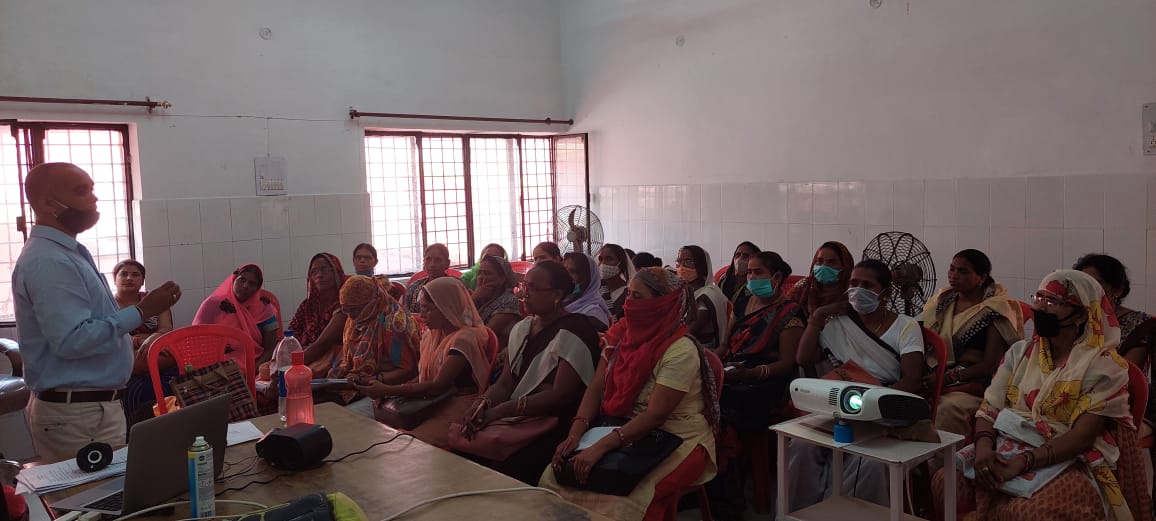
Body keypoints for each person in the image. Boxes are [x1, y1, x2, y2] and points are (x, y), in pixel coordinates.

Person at [934, 270, 1143, 521]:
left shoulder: (1104, 367)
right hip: (1009, 442)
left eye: (1053, 301)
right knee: (945, 480)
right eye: (1039, 298)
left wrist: (1023, 462)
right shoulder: (1020, 353)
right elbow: (989, 408)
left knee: (1028, 511)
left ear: (1081, 315)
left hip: (1068, 454)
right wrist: (983, 449)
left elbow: (1082, 437)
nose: (1040, 308)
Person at [13, 162, 181, 462]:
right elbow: (72, 340)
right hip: (76, 415)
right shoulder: (49, 260)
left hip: (91, 410)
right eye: (81, 191)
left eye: (92, 189)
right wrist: (142, 311)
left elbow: (93, 323)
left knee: (112, 490)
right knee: (92, 493)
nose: (93, 198)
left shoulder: (70, 252)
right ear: (48, 204)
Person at [540, 268, 720, 521]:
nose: (628, 304)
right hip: (622, 426)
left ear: (662, 303)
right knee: (555, 476)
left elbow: (656, 415)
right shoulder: (621, 335)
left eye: (638, 297)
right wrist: (575, 434)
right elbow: (597, 387)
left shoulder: (680, 349)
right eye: (629, 295)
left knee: (626, 497)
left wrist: (600, 447)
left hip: (677, 436)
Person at [789, 259, 925, 508]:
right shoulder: (838, 323)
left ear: (886, 293)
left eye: (867, 285)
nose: (858, 290)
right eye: (853, 283)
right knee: (801, 446)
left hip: (884, 407)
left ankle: (844, 512)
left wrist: (875, 407)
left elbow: (912, 379)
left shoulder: (906, 326)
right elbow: (803, 358)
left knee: (868, 462)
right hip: (840, 405)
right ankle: (800, 514)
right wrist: (818, 317)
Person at [461, 262, 600, 484]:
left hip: (554, 423)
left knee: (502, 472)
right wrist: (482, 403)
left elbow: (560, 395)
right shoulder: (523, 328)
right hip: (518, 415)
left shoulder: (575, 330)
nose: (525, 293)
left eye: (533, 288)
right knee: (464, 452)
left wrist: (501, 411)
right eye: (525, 285)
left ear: (557, 295)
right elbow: (505, 383)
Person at [353, 277, 496, 447]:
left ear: (446, 307)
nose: (421, 315)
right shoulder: (432, 336)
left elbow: (437, 386)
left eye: (427, 309)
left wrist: (388, 389)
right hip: (432, 401)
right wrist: (391, 393)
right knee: (381, 431)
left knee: (405, 443)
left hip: (456, 404)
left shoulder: (465, 339)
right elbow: (422, 378)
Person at [712, 251, 803, 515]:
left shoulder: (789, 313)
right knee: (703, 389)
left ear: (776, 277)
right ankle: (713, 482)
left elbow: (787, 363)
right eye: (749, 272)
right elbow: (725, 346)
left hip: (768, 381)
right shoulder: (741, 304)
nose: (751, 277)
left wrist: (752, 374)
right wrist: (708, 362)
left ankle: (732, 489)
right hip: (734, 371)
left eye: (758, 272)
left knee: (732, 401)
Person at [921, 249, 1024, 437]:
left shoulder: (994, 310)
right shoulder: (943, 300)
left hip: (975, 383)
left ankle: (947, 455)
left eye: (963, 271)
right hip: (936, 372)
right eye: (952, 269)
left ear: (981, 277)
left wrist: (948, 379)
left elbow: (989, 365)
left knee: (946, 408)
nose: (953, 276)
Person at [326, 276, 422, 417]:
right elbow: (349, 355)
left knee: (344, 418)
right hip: (362, 386)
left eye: (355, 310)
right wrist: (341, 370)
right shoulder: (357, 319)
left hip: (389, 389)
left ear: (372, 302)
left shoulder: (394, 324)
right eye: (346, 310)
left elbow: (408, 371)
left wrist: (374, 380)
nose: (351, 316)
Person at [113, 259, 178, 427]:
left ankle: (169, 427)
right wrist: (138, 339)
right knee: (134, 391)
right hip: (126, 361)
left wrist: (152, 337)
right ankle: (135, 433)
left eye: (135, 275)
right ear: (115, 279)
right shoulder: (108, 304)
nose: (129, 278)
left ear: (142, 280)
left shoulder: (155, 301)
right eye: (124, 274)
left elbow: (166, 329)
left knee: (170, 381)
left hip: (158, 354)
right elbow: (110, 335)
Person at [192, 264, 280, 366]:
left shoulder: (264, 310)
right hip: (217, 367)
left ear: (257, 289)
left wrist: (252, 370)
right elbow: (197, 340)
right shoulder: (213, 305)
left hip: (254, 366)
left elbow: (270, 350)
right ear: (233, 280)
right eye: (242, 280)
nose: (245, 286)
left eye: (252, 284)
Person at [1074, 253, 1154, 362]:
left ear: (1117, 290)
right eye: (1082, 283)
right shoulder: (1074, 319)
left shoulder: (1139, 324)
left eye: (1094, 283)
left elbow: (1127, 369)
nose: (1086, 289)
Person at [288, 253, 349, 377]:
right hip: (305, 357)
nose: (319, 275)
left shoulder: (345, 303)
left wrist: (291, 366)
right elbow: (290, 335)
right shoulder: (307, 305)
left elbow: (323, 343)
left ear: (336, 272)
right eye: (314, 272)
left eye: (324, 269)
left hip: (331, 361)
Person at [676, 245, 730, 349]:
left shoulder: (708, 295)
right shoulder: (685, 293)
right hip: (685, 346)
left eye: (688, 262)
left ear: (701, 266)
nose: (681, 267)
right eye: (679, 262)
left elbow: (687, 332)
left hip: (702, 350)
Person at [786, 241, 854, 319]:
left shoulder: (852, 294)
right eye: (820, 261)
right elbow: (785, 312)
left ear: (845, 266)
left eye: (831, 262)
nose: (824, 266)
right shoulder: (804, 286)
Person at [472, 255, 524, 348]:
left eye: (487, 273)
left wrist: (471, 300)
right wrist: (473, 299)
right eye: (480, 273)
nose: (481, 277)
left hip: (493, 352)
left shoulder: (509, 301)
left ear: (502, 278)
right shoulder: (481, 298)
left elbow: (485, 335)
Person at [563, 252, 613, 331]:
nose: (566, 275)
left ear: (586, 278)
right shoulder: (562, 302)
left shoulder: (594, 312)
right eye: (564, 270)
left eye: (572, 271)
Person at [403, 243, 452, 314]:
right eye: (428, 259)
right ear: (424, 262)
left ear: (447, 263)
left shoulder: (455, 288)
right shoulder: (414, 287)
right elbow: (407, 316)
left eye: (438, 260)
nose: (432, 264)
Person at [597, 244, 635, 321]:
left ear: (621, 264)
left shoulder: (629, 294)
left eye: (609, 259)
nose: (603, 263)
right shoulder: (596, 290)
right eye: (600, 259)